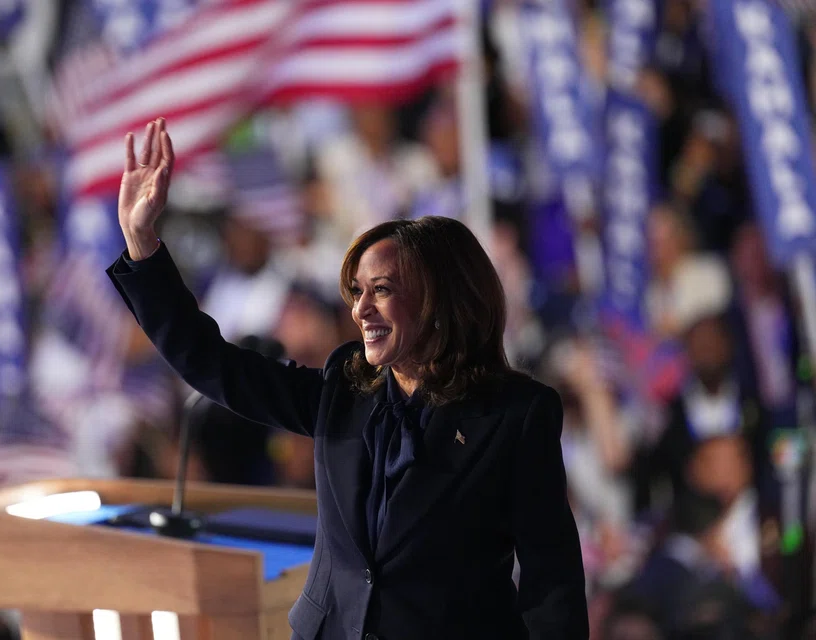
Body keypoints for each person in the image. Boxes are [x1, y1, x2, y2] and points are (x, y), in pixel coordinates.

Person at [107, 118, 588, 640]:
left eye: (381, 289)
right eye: (356, 291)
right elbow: (215, 365)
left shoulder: (514, 414)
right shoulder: (345, 389)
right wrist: (143, 243)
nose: (361, 309)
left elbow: (551, 584)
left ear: (438, 301)